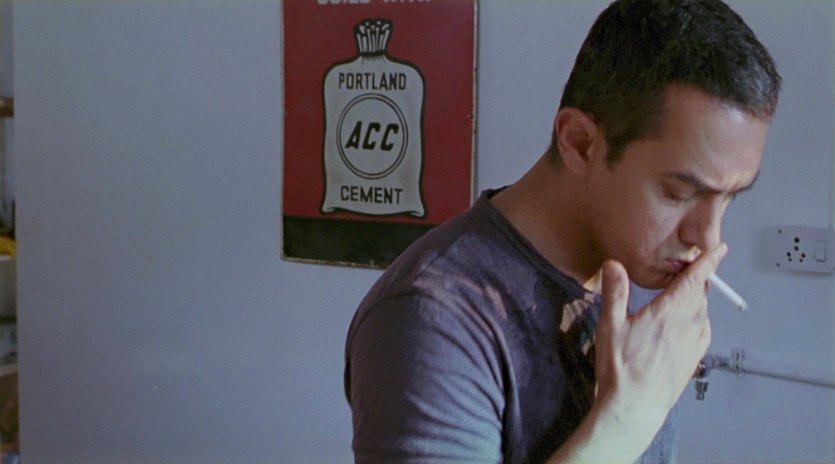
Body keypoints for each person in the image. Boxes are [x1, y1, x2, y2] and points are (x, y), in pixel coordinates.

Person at [344, 0, 781, 462]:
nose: (707, 239)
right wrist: (627, 419)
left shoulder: (645, 264)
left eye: (730, 197)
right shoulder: (432, 316)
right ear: (580, 143)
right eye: (678, 193)